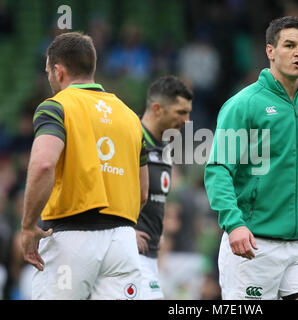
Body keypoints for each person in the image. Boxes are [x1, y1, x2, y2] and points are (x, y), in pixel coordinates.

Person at [204, 16, 298, 300]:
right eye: (289, 45)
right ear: (270, 51)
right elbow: (218, 169)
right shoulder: (243, 104)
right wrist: (234, 223)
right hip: (253, 243)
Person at [20, 32, 149, 300]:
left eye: (48, 72)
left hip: (72, 240)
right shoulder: (131, 117)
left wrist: (28, 226)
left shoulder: (55, 108)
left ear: (58, 71)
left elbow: (44, 164)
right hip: (123, 243)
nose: (49, 78)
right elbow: (143, 192)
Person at [135, 75, 193, 299]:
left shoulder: (165, 148)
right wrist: (124, 232)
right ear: (157, 108)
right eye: (181, 112)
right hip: (129, 255)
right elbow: (102, 187)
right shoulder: (131, 138)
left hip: (151, 254)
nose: (187, 121)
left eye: (188, 113)